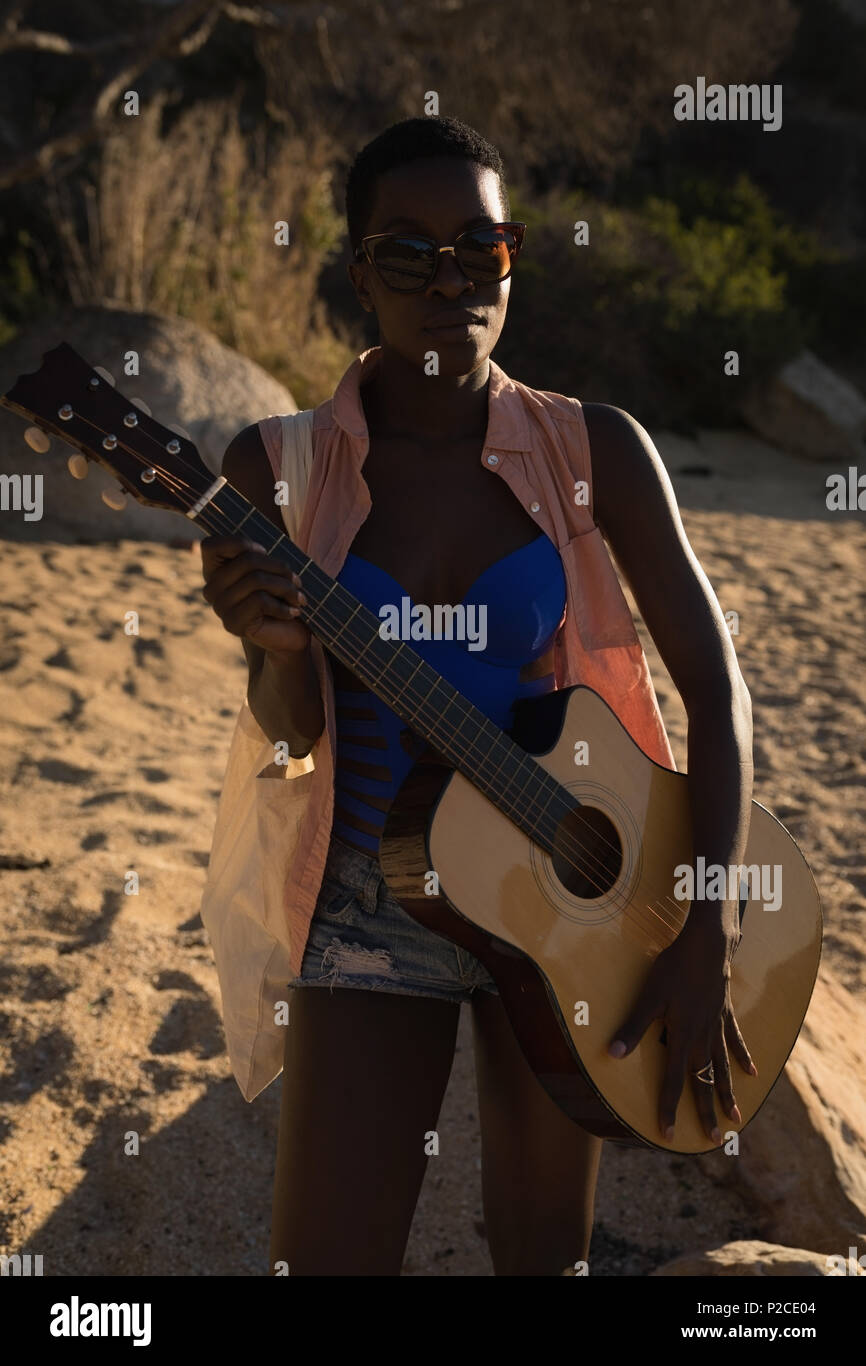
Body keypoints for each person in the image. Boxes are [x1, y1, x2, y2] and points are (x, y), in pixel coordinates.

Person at [200, 116, 755, 1276]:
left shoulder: (592, 447)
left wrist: (703, 928)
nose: (448, 277)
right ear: (358, 273)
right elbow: (295, 732)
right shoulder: (275, 472)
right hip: (368, 903)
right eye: (407, 251)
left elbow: (715, 685)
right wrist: (277, 645)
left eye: (480, 248)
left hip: (571, 901)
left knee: (543, 1262)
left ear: (511, 260)